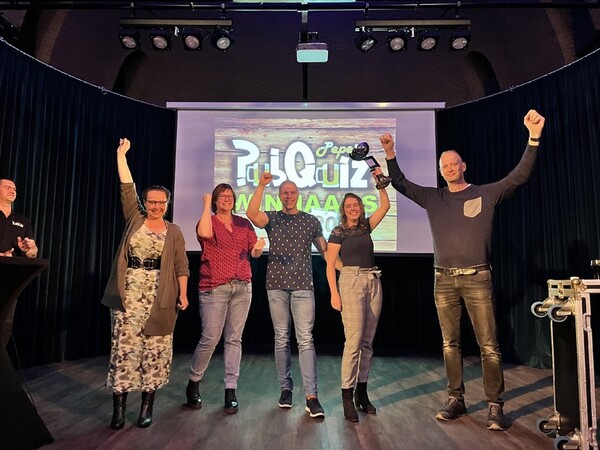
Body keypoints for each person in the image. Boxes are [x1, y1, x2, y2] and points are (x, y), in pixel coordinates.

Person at [379, 109, 545, 431]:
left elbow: (519, 177)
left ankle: (495, 405)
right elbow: (400, 182)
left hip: (477, 278)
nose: (449, 168)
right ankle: (456, 399)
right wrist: (389, 153)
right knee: (449, 345)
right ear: (440, 171)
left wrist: (534, 138)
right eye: (444, 166)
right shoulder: (433, 197)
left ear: (463, 166)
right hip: (443, 280)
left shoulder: (485, 193)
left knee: (489, 346)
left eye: (453, 163)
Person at [101, 138, 189, 430]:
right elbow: (127, 187)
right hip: (128, 293)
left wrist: (183, 294)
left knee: (155, 351)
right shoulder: (135, 219)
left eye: (161, 202)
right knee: (124, 350)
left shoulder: (174, 231)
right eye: (151, 201)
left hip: (160, 295)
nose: (156, 206)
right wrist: (121, 155)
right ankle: (118, 409)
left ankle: (146, 407)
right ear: (145, 202)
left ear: (167, 204)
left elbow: (181, 265)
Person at [246, 173, 327, 418]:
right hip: (276, 285)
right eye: (284, 193)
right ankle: (285, 389)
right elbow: (251, 213)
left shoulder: (311, 221)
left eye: (292, 192)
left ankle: (311, 396)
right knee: (281, 338)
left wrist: (343, 268)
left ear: (298, 195)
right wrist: (261, 185)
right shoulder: (272, 218)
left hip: (303, 286)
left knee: (305, 340)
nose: (288, 196)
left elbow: (325, 251)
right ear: (280, 196)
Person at [185, 183, 265, 414]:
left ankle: (231, 390)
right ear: (215, 200)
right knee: (210, 338)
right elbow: (204, 234)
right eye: (222, 196)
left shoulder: (243, 223)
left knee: (234, 339)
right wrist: (205, 204)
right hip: (214, 288)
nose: (227, 199)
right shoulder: (208, 221)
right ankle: (193, 382)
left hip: (242, 287)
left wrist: (259, 248)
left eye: (230, 196)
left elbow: (253, 253)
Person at [325, 171, 390, 422]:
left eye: (356, 205)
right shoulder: (338, 231)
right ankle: (346, 397)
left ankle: (362, 393)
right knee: (353, 342)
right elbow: (330, 264)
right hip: (350, 281)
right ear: (343, 210)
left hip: (373, 280)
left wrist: (380, 184)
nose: (353, 208)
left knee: (367, 343)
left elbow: (385, 206)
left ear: (361, 208)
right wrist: (334, 293)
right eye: (348, 206)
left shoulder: (366, 227)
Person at [0, 178, 39, 347]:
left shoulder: (23, 221)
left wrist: (29, 248)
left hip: (9, 279)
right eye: (7, 187)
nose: (12, 191)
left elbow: (33, 253)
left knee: (6, 322)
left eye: (14, 188)